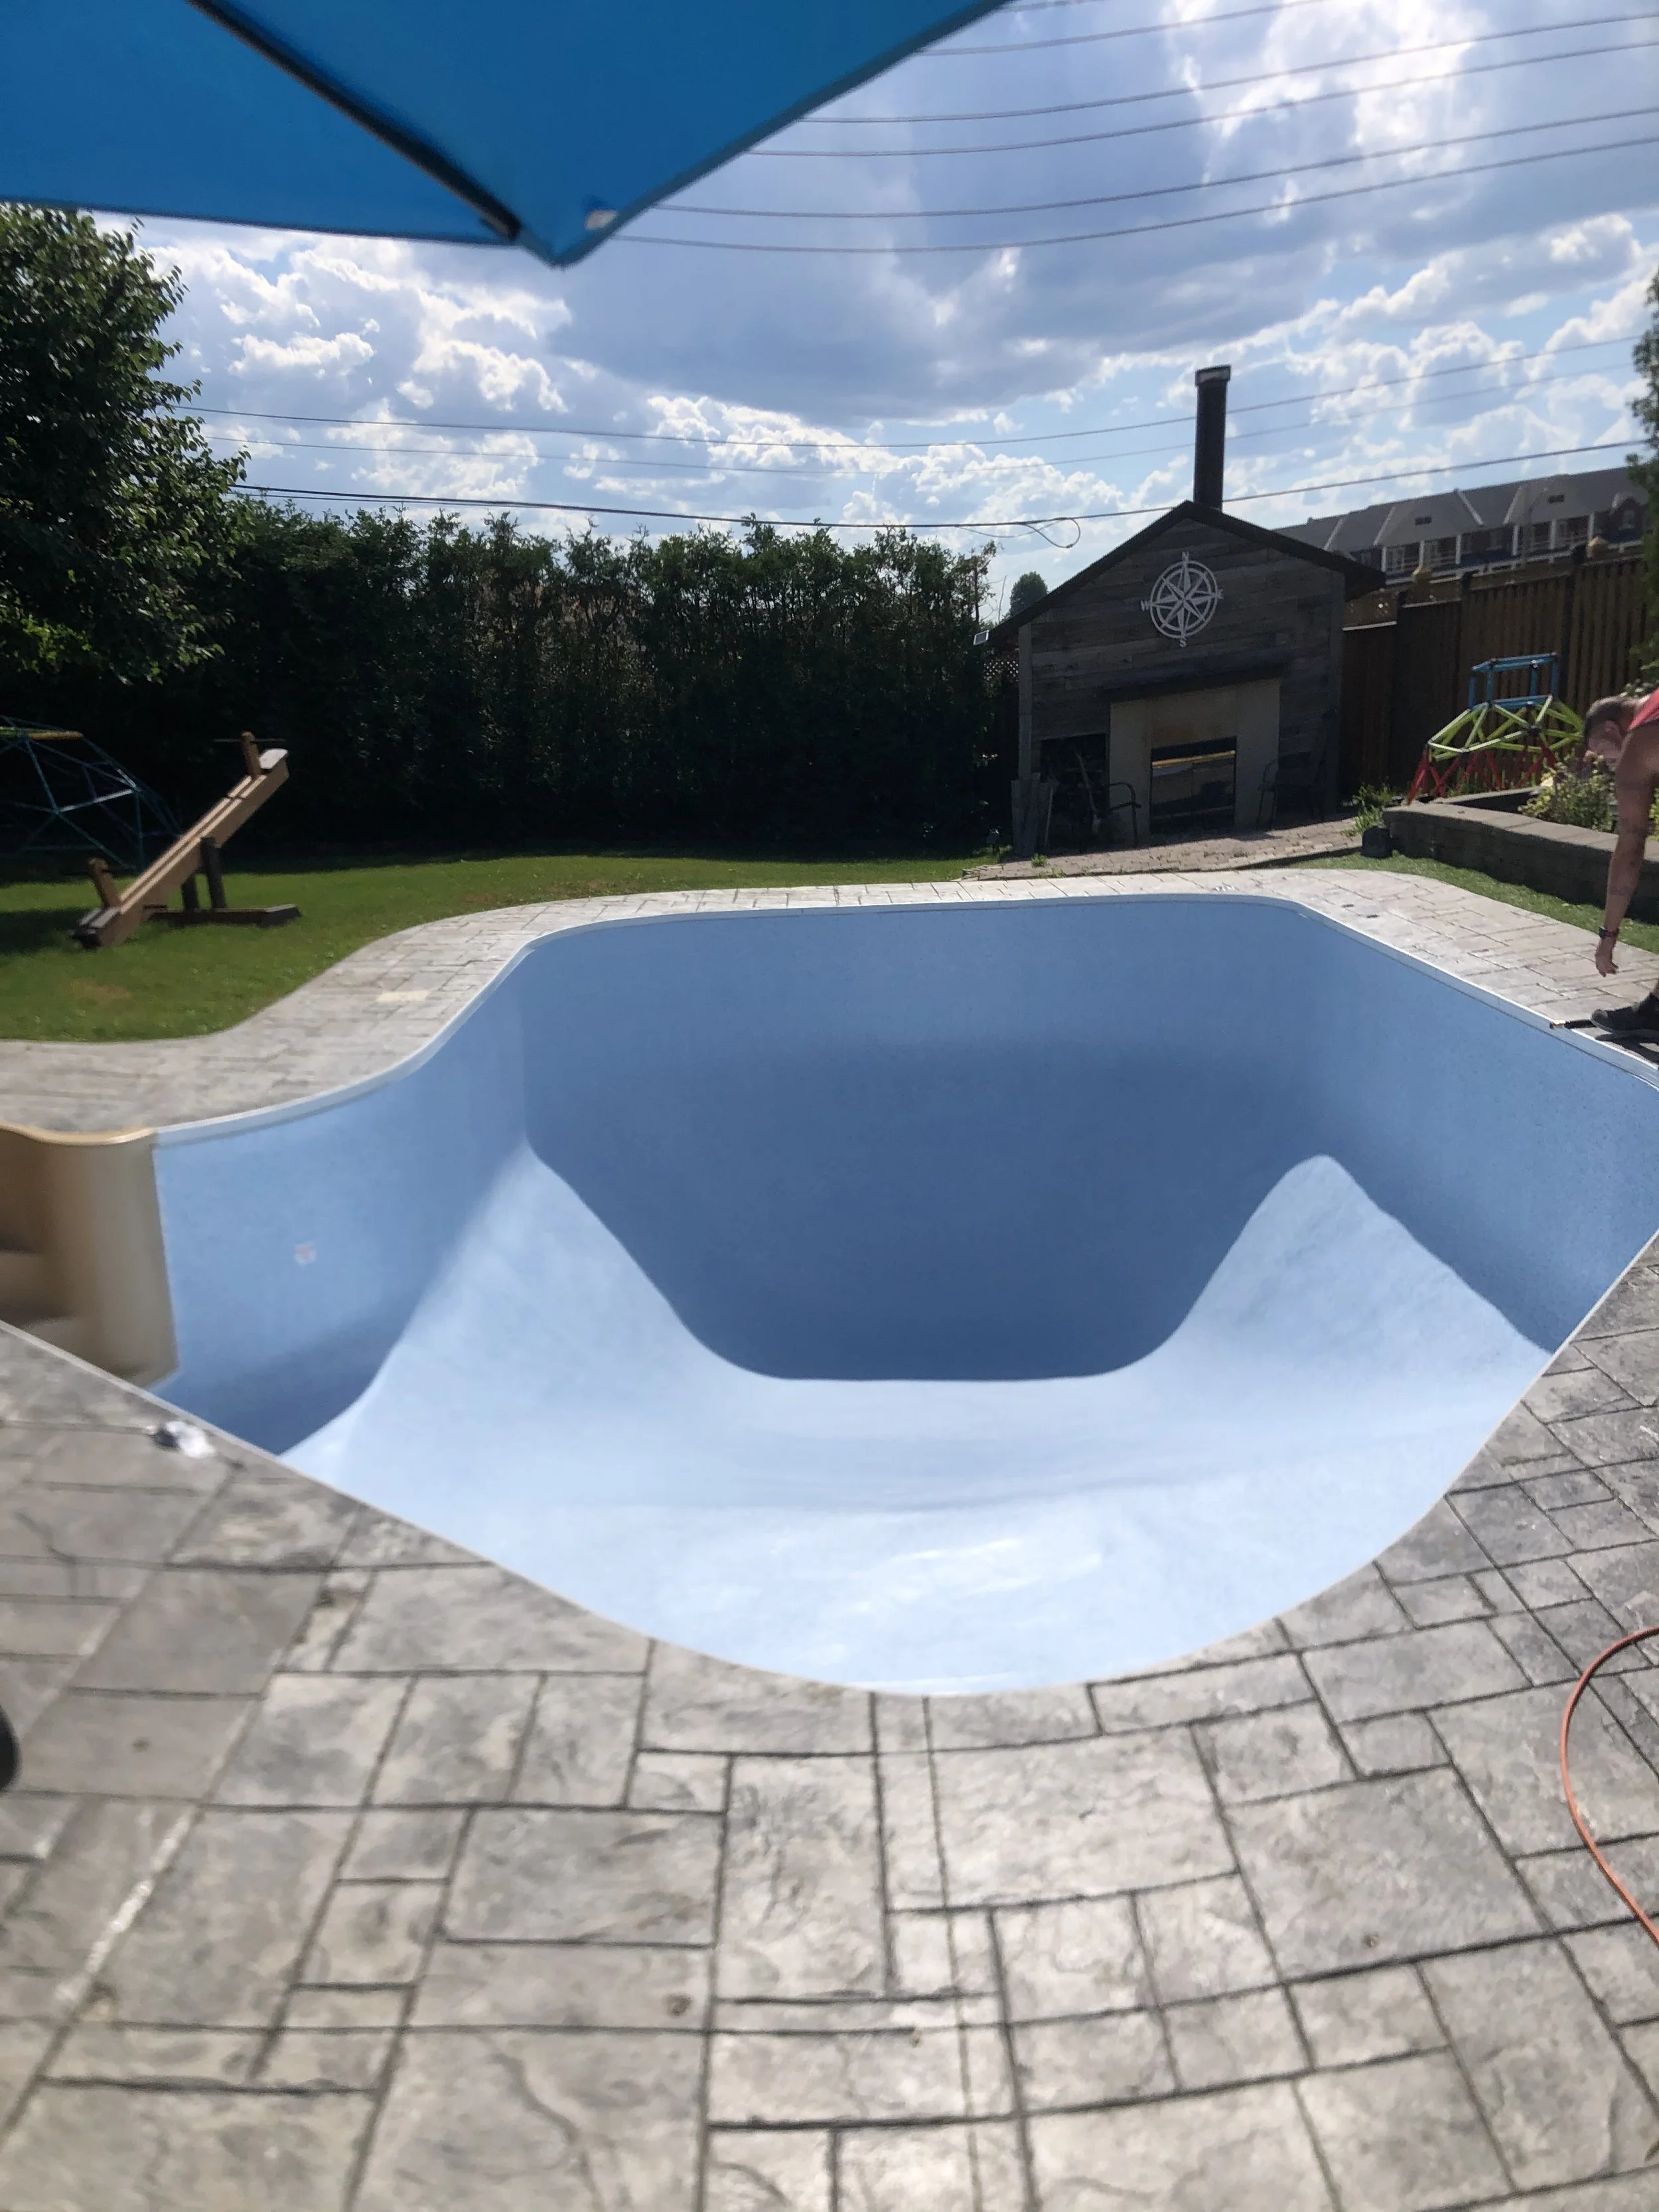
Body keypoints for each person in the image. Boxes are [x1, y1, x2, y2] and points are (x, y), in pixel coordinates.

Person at [1592, 687, 1659, 1035]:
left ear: (1611, 730)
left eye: (1603, 753)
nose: (1607, 762)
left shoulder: (1641, 738)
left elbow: (1630, 849)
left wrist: (1609, 934)